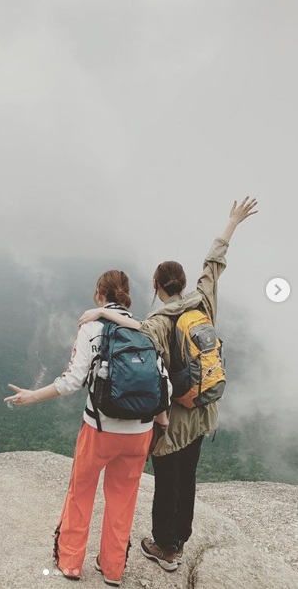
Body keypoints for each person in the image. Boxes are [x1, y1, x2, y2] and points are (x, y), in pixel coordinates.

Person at [78, 197, 258, 572]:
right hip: (204, 411)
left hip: (174, 419)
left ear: (157, 285)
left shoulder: (159, 321)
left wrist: (100, 312)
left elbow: (138, 331)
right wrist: (232, 223)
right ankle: (179, 539)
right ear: (183, 283)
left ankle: (164, 547)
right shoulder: (202, 303)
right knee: (188, 478)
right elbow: (214, 265)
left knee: (167, 482)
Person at [5, 270, 170, 586]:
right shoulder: (147, 330)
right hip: (140, 434)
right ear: (127, 296)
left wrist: (32, 395)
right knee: (122, 500)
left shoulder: (93, 327)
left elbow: (72, 380)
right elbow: (164, 386)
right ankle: (113, 570)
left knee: (80, 493)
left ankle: (70, 563)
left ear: (99, 294)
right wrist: (161, 425)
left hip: (100, 430)